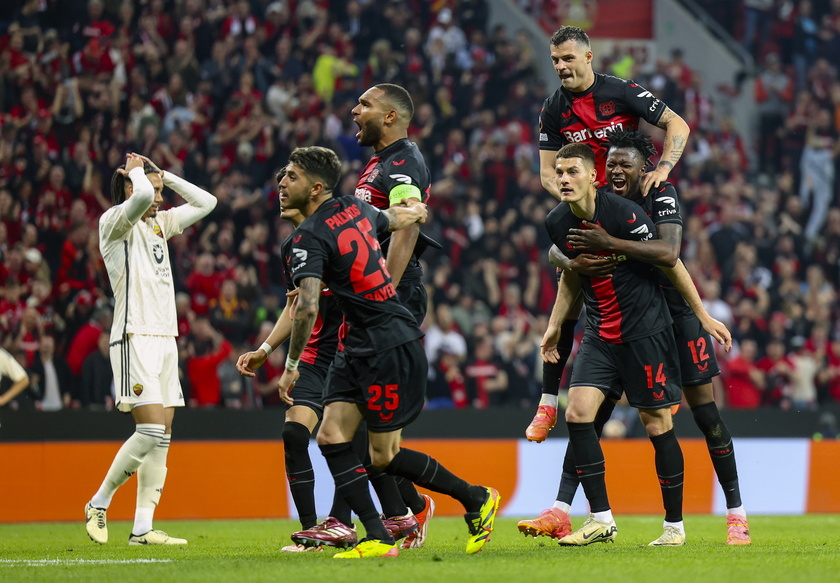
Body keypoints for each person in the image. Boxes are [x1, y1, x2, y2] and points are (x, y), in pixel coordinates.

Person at [518, 129, 749, 545]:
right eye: (611, 164)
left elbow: (669, 255)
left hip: (674, 317)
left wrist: (703, 314)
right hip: (619, 321)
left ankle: (735, 514)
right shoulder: (586, 204)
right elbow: (568, 263)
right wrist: (563, 260)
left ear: (646, 167)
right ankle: (566, 509)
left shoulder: (658, 195)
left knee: (704, 415)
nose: (617, 169)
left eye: (626, 163)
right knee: (588, 413)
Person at [277, 146, 499, 559]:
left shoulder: (307, 238)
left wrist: (290, 365)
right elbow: (398, 217)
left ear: (316, 187)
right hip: (359, 341)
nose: (281, 183)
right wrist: (418, 211)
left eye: (291, 176)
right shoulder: (352, 209)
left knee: (383, 455)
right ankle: (376, 535)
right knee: (332, 435)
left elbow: (306, 307)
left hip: (386, 342)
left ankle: (475, 496)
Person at [527, 24, 691, 446]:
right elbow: (547, 173)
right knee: (570, 274)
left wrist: (663, 170)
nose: (561, 67)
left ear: (587, 57)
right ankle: (548, 400)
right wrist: (577, 190)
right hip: (590, 206)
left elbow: (678, 126)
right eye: (555, 61)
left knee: (665, 271)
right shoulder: (552, 109)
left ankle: (669, 376)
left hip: (631, 204)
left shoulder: (620, 91)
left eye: (567, 58)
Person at [84, 153, 217, 546]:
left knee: (163, 437)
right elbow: (141, 197)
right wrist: (141, 174)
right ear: (129, 187)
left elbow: (206, 202)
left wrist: (165, 177)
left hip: (164, 337)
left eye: (161, 193)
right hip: (133, 335)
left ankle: (142, 527)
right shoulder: (114, 222)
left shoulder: (161, 223)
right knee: (150, 429)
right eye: (154, 191)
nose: (158, 199)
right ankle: (99, 502)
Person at [348, 82, 440, 549]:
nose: (353, 110)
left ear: (389, 116)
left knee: (371, 425)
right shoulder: (381, 163)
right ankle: (402, 514)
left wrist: (383, 291)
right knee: (357, 422)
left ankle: (412, 512)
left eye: (364, 104)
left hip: (391, 295)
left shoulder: (403, 161)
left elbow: (408, 222)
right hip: (374, 296)